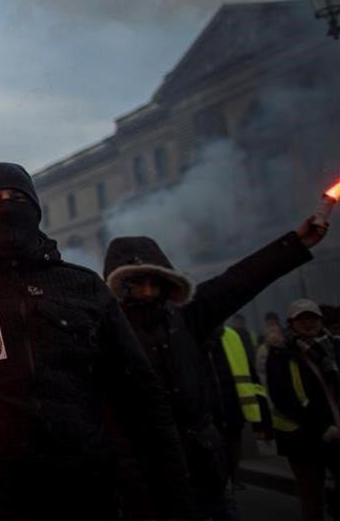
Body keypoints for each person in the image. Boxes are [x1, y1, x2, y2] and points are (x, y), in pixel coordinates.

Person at [0, 163, 192, 520]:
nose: (7, 205)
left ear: (35, 209)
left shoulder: (84, 287)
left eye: (17, 197)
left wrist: (176, 500)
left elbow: (144, 399)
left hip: (86, 495)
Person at [103, 214, 325, 519]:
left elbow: (238, 281)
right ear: (117, 285)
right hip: (142, 482)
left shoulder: (187, 317)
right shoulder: (102, 331)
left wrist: (295, 244)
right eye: (135, 282)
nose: (146, 292)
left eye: (154, 282)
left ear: (168, 281)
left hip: (203, 473)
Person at [267, 299, 340, 521]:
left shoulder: (334, 347)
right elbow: (283, 397)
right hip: (303, 438)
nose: (308, 323)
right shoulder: (281, 353)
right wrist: (322, 427)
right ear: (292, 323)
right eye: (302, 319)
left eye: (313, 318)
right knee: (312, 498)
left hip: (337, 430)